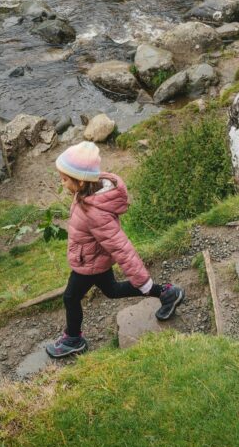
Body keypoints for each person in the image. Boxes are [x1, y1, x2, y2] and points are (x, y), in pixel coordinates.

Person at [45, 140, 185, 358]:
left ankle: (73, 339)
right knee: (111, 290)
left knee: (71, 297)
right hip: (95, 258)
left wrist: (143, 280)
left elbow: (122, 248)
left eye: (64, 179)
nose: (62, 183)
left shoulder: (95, 212)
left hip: (89, 264)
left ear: (81, 182)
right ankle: (167, 293)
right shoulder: (88, 193)